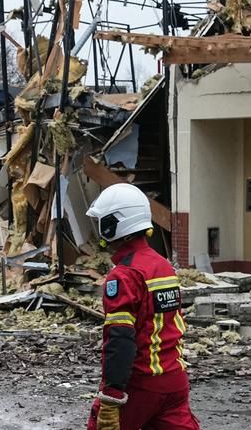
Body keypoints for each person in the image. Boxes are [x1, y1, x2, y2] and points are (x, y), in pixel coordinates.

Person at [85, 183, 199, 430]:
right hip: (174, 381)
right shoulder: (163, 266)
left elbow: (120, 338)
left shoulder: (124, 275)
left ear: (112, 225)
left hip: (141, 384)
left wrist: (112, 395)